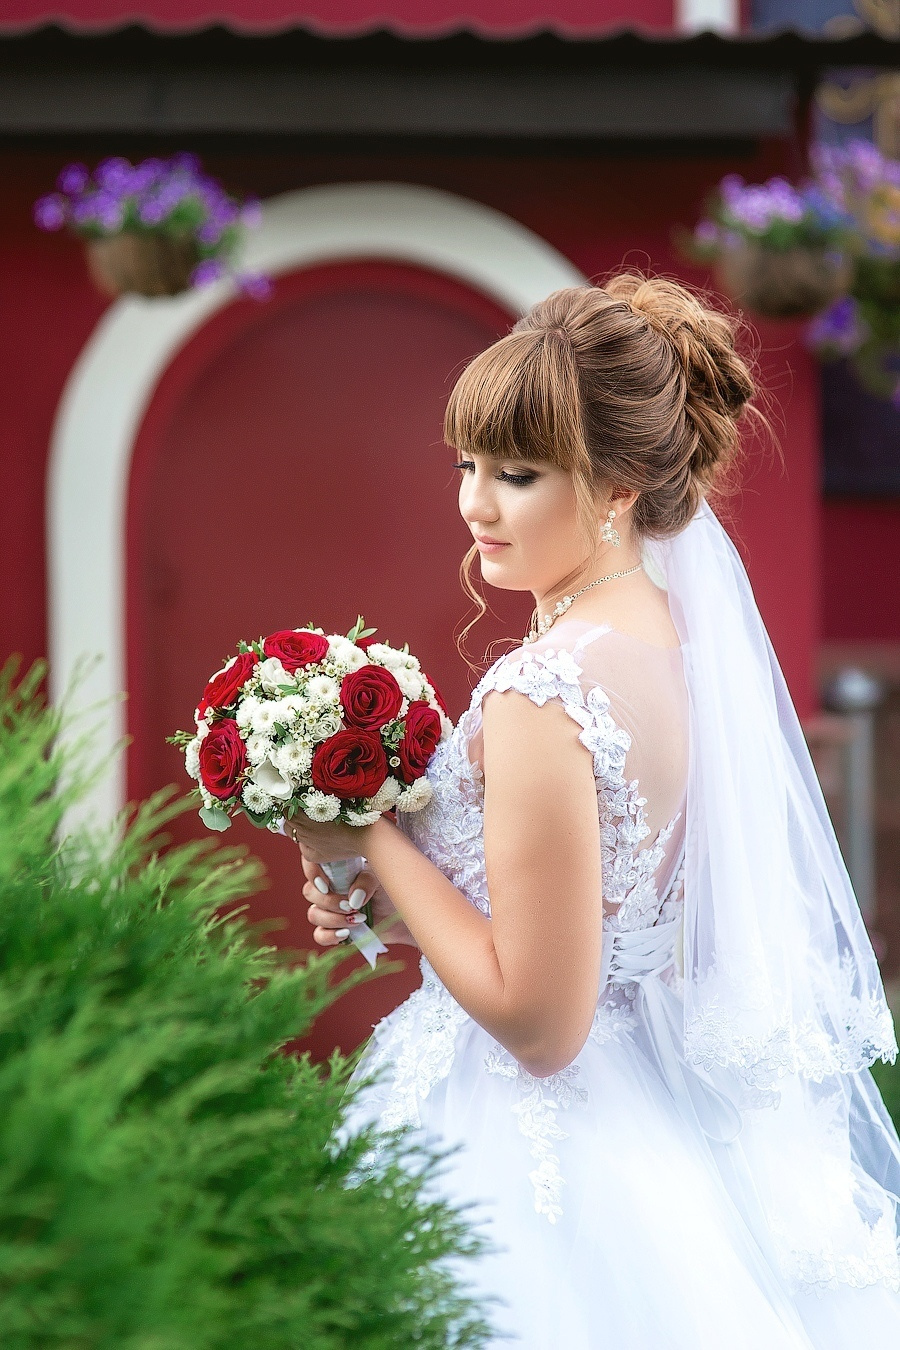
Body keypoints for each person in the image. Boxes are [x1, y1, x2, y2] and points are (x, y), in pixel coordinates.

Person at [285, 274, 900, 1347]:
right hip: (654, 1113)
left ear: (617, 487)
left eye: (516, 474)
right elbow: (600, 911)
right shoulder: (673, 642)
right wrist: (398, 893)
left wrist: (369, 832)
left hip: (527, 1150)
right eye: (467, 464)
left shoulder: (545, 693)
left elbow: (539, 1023)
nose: (476, 501)